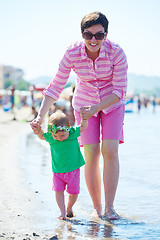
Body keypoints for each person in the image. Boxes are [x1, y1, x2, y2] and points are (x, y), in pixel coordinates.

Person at [30, 11, 128, 220]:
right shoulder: (72, 53)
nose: (93, 40)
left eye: (99, 35)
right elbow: (55, 86)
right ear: (82, 34)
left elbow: (119, 91)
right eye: (88, 34)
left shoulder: (117, 53)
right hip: (84, 105)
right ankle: (97, 208)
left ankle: (110, 208)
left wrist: (97, 108)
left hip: (112, 104)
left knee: (110, 150)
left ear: (106, 34)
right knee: (91, 154)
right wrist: (40, 116)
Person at [32, 111, 88, 220]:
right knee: (58, 191)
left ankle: (69, 208)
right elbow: (42, 136)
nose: (59, 138)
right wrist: (37, 130)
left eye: (62, 135)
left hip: (73, 170)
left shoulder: (72, 133)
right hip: (57, 171)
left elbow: (83, 127)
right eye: (56, 135)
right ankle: (62, 212)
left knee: (74, 192)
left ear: (68, 128)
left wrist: (84, 119)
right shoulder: (51, 137)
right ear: (51, 133)